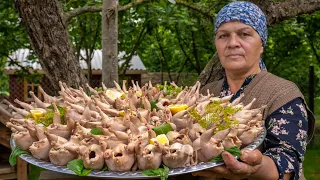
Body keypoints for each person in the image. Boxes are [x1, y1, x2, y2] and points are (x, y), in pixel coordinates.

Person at [192, 1, 315, 180]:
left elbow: (287, 163)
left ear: (262, 44)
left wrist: (256, 168)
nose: (233, 43)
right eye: (223, 36)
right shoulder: (205, 94)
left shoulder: (283, 94)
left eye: (244, 34)